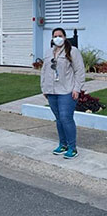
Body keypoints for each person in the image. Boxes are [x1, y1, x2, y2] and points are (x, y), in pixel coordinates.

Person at [41, 28, 85, 159]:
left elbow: (79, 71)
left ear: (65, 37)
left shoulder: (72, 51)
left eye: (60, 35)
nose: (57, 38)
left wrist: (77, 88)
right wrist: (44, 88)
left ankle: (72, 148)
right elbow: (44, 71)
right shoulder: (49, 52)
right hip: (52, 91)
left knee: (66, 118)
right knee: (59, 119)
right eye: (55, 36)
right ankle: (63, 144)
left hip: (66, 90)